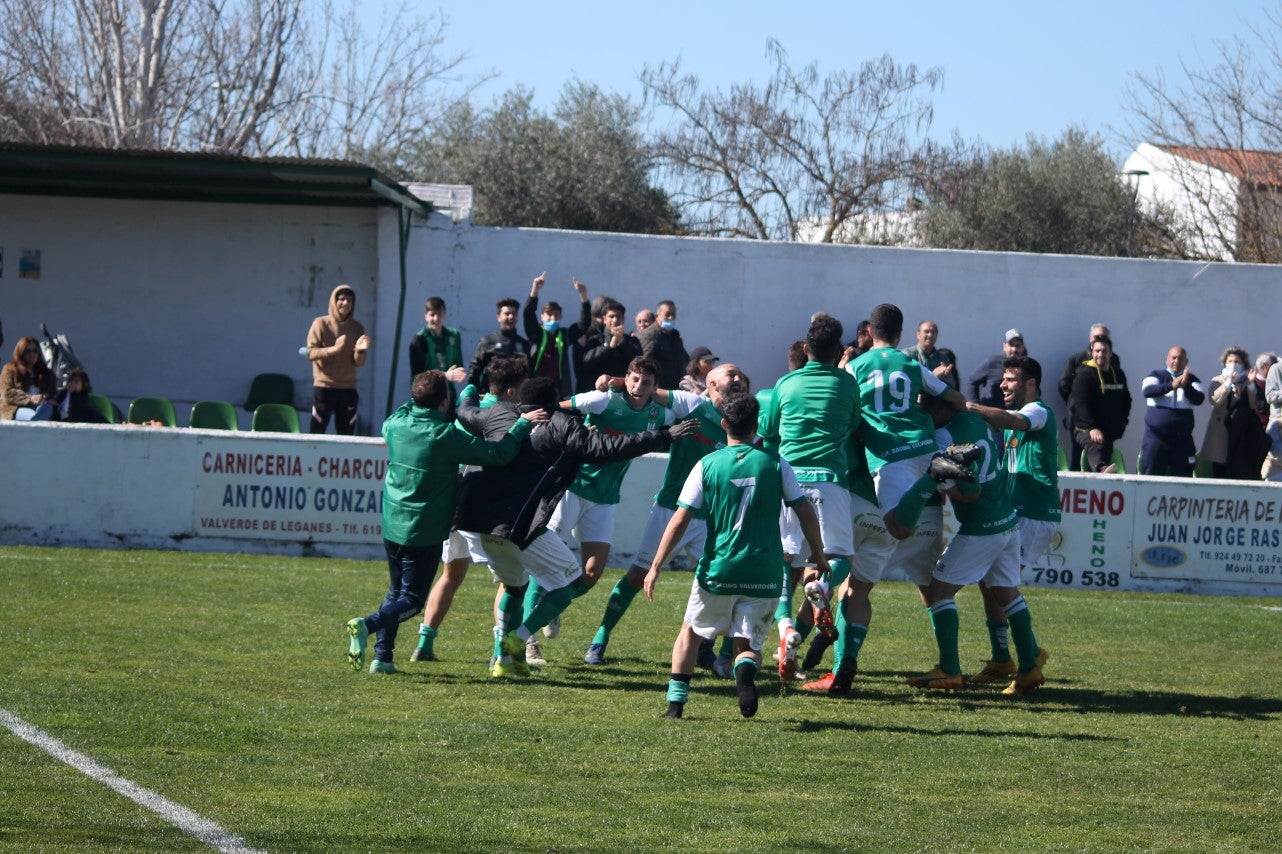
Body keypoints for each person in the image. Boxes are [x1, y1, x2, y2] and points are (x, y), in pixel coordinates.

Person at [465, 377, 696, 677]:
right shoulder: (561, 425)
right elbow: (611, 447)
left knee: (514, 586)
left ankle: (503, 661)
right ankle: (518, 638)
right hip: (520, 524)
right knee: (569, 583)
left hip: (483, 523)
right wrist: (663, 436)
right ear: (553, 401)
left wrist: (469, 390)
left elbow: (466, 413)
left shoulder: (499, 413)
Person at [344, 370, 546, 675]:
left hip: (392, 522)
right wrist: (521, 425)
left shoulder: (395, 424)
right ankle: (367, 625)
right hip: (423, 527)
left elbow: (409, 405)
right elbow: (499, 454)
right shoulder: (443, 435)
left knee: (396, 591)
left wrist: (437, 380)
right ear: (443, 402)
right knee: (412, 600)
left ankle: (382, 658)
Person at [644, 393, 830, 719]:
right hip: (764, 571)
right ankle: (743, 671)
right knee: (748, 645)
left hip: (719, 568)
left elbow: (680, 519)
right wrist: (818, 554)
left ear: (723, 424)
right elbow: (804, 511)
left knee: (691, 632)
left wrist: (656, 566)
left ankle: (675, 704)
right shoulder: (776, 463)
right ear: (756, 426)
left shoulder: (707, 464)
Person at [837, 304, 971, 694]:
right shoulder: (912, 365)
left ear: (869, 331)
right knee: (932, 587)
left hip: (891, 459)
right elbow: (954, 397)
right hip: (924, 452)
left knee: (858, 579)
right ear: (900, 334)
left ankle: (839, 664)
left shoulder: (856, 367)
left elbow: (840, 402)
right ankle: (950, 667)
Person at [581, 362, 749, 666]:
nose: (738, 379)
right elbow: (646, 391)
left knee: (727, 583)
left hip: (713, 519)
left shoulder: (745, 423)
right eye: (731, 374)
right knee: (637, 575)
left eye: (741, 377)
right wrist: (613, 379)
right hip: (671, 510)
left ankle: (715, 653)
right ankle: (599, 639)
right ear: (712, 384)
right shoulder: (691, 405)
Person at [548, 357, 689, 663]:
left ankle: (552, 606)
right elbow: (555, 408)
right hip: (573, 488)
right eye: (634, 379)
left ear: (655, 387)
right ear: (626, 378)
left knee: (591, 573)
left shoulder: (660, 414)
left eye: (646, 382)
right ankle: (529, 640)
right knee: (546, 561)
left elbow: (689, 409)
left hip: (606, 498)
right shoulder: (602, 400)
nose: (638, 386)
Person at [911, 393, 1047, 695]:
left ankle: (949, 669)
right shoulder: (973, 420)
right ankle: (1028, 667)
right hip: (1007, 520)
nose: (923, 414)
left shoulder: (942, 437)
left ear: (942, 407)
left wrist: (940, 483)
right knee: (1007, 595)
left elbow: (968, 493)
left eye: (926, 407)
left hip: (981, 526)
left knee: (938, 592)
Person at [758, 315, 860, 686]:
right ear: (839, 351)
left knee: (785, 561)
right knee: (840, 558)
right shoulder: (847, 383)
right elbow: (853, 425)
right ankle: (823, 590)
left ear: (805, 348)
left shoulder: (785, 384)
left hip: (789, 480)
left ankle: (786, 632)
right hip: (830, 479)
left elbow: (767, 432)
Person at [409, 356, 529, 663]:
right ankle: (501, 653)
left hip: (454, 504)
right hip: (483, 507)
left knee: (450, 575)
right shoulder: (507, 414)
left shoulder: (467, 406)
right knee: (509, 582)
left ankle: (424, 644)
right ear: (512, 390)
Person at [965, 355, 1057, 685]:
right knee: (988, 580)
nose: (1002, 385)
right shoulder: (1013, 421)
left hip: (1034, 513)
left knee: (1001, 584)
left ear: (1030, 384)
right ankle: (1002, 659)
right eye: (1003, 378)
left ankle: (1028, 656)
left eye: (1010, 379)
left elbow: (1009, 419)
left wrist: (970, 407)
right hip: (1016, 511)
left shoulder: (1038, 411)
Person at [306, 284, 370, 434]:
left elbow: (359, 363)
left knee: (346, 434)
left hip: (348, 388)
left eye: (349, 300)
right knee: (317, 432)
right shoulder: (320, 323)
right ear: (334, 301)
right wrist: (333, 349)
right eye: (341, 299)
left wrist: (360, 351)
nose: (345, 303)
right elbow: (311, 353)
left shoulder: (357, 327)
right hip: (324, 386)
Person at [1058, 323, 1121, 471]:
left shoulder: (1114, 359)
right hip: (1080, 419)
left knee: (1104, 451)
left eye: (1103, 337)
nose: (1100, 339)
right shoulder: (1076, 359)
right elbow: (1064, 385)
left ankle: (1102, 478)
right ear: (1090, 338)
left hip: (1104, 418)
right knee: (1079, 456)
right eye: (1097, 336)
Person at [1202, 346, 1269, 479]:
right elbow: (1214, 400)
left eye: (1237, 362)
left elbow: (1253, 404)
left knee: (1237, 468)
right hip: (1220, 432)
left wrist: (1250, 384)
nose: (1233, 364)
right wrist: (1228, 383)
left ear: (1243, 364)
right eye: (1230, 361)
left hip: (1240, 431)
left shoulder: (1246, 382)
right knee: (1220, 469)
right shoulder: (1218, 380)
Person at [1068, 334, 1131, 473]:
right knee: (1096, 445)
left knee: (1105, 450)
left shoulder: (1118, 374)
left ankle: (1104, 473)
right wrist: (1092, 427)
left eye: (1104, 351)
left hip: (1108, 431)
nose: (1100, 354)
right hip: (1085, 429)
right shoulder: (1083, 374)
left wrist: (1122, 423)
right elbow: (1080, 404)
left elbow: (1126, 400)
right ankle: (1102, 469)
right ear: (1092, 352)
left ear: (1110, 353)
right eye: (1097, 351)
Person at [1139, 346, 1205, 476]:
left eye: (1180, 358)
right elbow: (1147, 391)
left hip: (1182, 442)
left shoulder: (1192, 379)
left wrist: (1185, 386)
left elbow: (1199, 399)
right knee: (1152, 477)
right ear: (1166, 359)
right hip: (1156, 439)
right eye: (1173, 358)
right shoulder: (1156, 375)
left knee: (1183, 479)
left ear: (1186, 362)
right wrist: (1171, 385)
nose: (1176, 361)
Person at [524, 272, 592, 396]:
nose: (553, 318)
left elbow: (584, 324)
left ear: (560, 316)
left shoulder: (564, 335)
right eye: (549, 314)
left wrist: (583, 295)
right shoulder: (536, 334)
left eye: (556, 315)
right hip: (535, 388)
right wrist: (535, 290)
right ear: (542, 316)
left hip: (557, 390)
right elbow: (528, 313)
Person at [408, 296, 466, 396]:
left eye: (439, 314)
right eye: (432, 314)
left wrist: (458, 372)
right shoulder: (419, 340)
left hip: (448, 394)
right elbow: (417, 377)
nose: (436, 318)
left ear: (445, 315)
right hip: (426, 395)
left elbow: (458, 364)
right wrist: (445, 375)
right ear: (425, 316)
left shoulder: (454, 335)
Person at [466, 297, 528, 391]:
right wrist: (476, 394)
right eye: (507, 314)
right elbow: (473, 372)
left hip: (516, 397)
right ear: (498, 317)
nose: (511, 317)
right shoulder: (487, 341)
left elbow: (529, 373)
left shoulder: (524, 344)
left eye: (514, 314)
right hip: (492, 396)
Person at [580, 298, 641, 388]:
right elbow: (587, 361)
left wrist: (622, 343)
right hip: (600, 388)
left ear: (623, 319)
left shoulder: (631, 340)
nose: (615, 320)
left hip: (623, 388)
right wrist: (609, 347)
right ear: (604, 319)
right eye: (611, 316)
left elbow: (639, 362)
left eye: (618, 316)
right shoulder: (595, 340)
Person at [1, 336, 56, 421]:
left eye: (35, 351)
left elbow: (51, 393)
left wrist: (46, 398)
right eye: (27, 351)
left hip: (39, 406)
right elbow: (7, 393)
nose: (32, 354)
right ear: (20, 353)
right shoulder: (10, 369)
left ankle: (38, 420)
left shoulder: (46, 373)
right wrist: (30, 398)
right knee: (32, 415)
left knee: (47, 408)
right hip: (15, 408)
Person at [637, 299, 689, 388]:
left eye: (673, 314)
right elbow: (644, 363)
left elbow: (684, 358)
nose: (671, 318)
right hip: (659, 388)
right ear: (657, 316)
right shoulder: (649, 335)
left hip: (677, 386)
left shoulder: (675, 334)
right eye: (667, 314)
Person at [968, 328, 1026, 408]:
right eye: (1011, 345)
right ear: (1004, 346)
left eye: (1018, 345)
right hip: (990, 413)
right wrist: (976, 406)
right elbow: (972, 381)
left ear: (1022, 347)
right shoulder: (993, 362)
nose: (1014, 349)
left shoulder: (1026, 365)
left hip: (1014, 413)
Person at [902, 319, 959, 390]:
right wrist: (933, 377)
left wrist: (944, 377)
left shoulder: (943, 358)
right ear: (918, 335)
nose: (930, 335)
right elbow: (905, 382)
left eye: (933, 332)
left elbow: (951, 386)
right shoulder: (907, 355)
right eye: (926, 331)